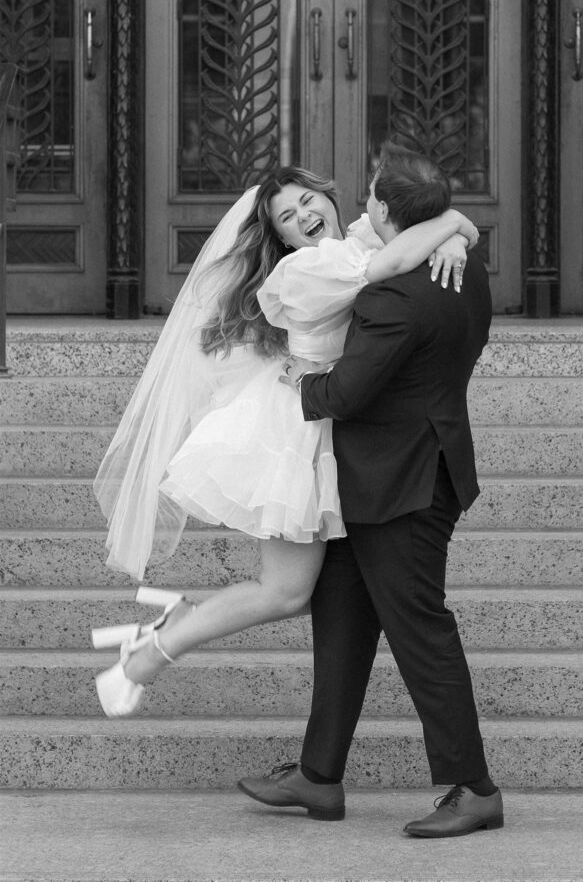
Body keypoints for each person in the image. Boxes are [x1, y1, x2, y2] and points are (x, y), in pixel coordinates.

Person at [93, 162, 478, 718]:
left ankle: (178, 634)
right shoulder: (308, 271)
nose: (304, 217)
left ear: (329, 197)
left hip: (340, 422)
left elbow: (419, 227)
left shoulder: (356, 240)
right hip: (299, 427)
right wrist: (456, 227)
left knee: (317, 590)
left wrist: (457, 241)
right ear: (281, 236)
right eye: (288, 217)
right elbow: (399, 255)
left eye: (307, 202)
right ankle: (156, 646)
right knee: (287, 591)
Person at [237, 142, 502, 839]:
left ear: (383, 208)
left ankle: (472, 788)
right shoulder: (458, 259)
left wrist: (297, 382)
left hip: (403, 485)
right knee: (343, 621)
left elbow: (345, 394)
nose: (359, 206)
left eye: (369, 199)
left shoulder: (390, 296)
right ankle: (317, 776)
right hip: (386, 476)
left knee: (421, 634)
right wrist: (454, 226)